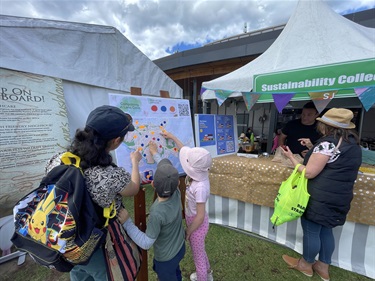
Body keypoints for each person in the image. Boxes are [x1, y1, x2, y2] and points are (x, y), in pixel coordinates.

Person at [45, 105, 142, 281]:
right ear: (115, 141)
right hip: (96, 245)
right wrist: (135, 162)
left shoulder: (59, 159)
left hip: (66, 240)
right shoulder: (110, 175)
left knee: (79, 274)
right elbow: (134, 188)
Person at [280, 108, 362, 281]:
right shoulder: (353, 143)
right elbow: (334, 161)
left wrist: (291, 158)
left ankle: (306, 264)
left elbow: (309, 172)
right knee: (326, 231)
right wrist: (311, 147)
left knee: (311, 230)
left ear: (326, 126)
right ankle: (323, 267)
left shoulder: (327, 144)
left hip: (321, 197)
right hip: (339, 196)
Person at [118, 158, 185, 281]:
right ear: (178, 184)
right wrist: (155, 154)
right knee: (176, 273)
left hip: (166, 259)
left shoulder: (157, 213)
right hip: (179, 248)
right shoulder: (176, 193)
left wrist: (127, 223)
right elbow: (167, 169)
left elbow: (146, 243)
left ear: (153, 184)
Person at [180, 146, 213, 281]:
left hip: (196, 226)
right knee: (201, 251)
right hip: (196, 223)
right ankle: (208, 272)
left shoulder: (200, 187)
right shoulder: (200, 177)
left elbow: (199, 216)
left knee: (198, 258)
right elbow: (184, 151)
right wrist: (172, 136)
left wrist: (189, 231)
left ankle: (203, 278)